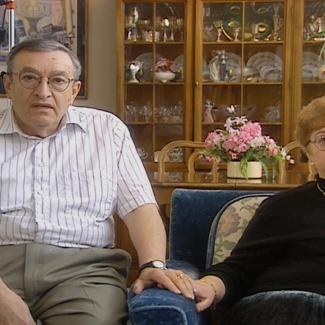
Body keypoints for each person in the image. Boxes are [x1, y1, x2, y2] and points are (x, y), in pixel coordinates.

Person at [0, 38, 194, 325]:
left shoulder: (107, 131)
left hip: (83, 271)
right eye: (29, 78)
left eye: (57, 81)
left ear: (74, 90)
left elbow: (140, 207)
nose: (43, 92)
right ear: (8, 85)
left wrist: (153, 263)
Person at [193, 96, 325, 324]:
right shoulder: (283, 206)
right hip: (278, 305)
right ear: (309, 154)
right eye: (324, 139)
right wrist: (208, 286)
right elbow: (238, 269)